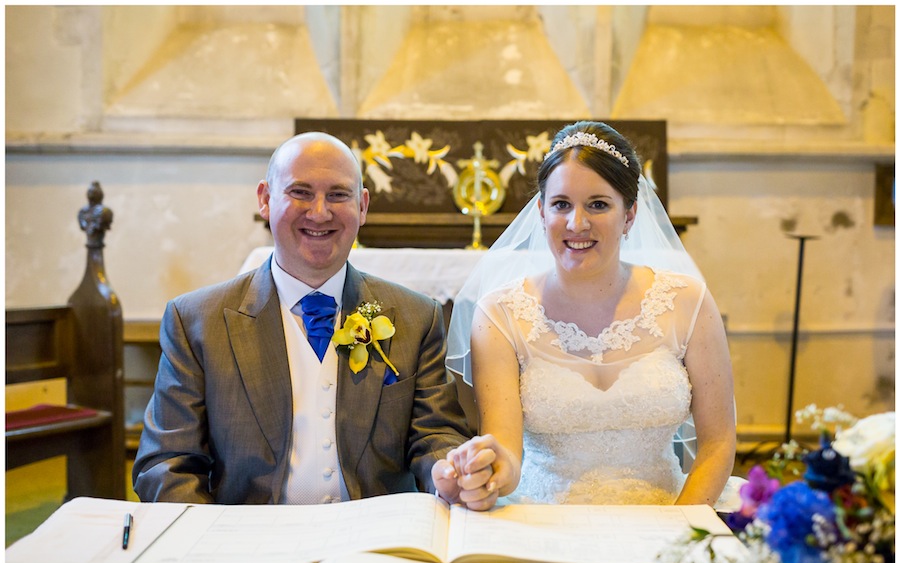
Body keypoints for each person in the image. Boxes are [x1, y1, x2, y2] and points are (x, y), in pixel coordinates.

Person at [133, 132, 479, 509]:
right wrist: (213, 542)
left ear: (362, 207)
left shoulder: (416, 317)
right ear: (265, 199)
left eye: (338, 194)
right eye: (300, 192)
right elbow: (167, 463)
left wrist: (449, 474)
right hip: (247, 543)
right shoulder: (197, 321)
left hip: (375, 542)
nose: (319, 212)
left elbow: (436, 434)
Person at [445, 119, 735, 509]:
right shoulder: (500, 314)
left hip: (669, 517)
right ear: (542, 212)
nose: (576, 223)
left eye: (598, 204)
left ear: (630, 214)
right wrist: (486, 471)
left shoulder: (687, 301)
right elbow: (508, 453)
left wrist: (676, 535)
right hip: (547, 523)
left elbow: (718, 443)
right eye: (561, 204)